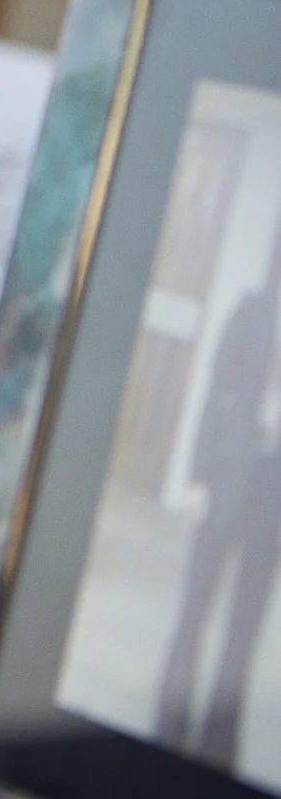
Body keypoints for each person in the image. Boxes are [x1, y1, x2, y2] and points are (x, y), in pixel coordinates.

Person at [156, 220, 281, 772]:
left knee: (244, 625)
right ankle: (168, 726)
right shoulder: (252, 312)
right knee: (194, 606)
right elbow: (214, 393)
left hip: (274, 495)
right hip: (227, 479)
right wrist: (197, 476)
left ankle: (217, 747)